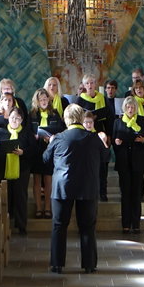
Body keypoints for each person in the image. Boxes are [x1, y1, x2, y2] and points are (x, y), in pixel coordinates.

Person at [43, 104, 104, 273]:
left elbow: (45, 159)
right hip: (88, 186)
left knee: (59, 226)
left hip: (63, 187)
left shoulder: (60, 138)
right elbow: (105, 156)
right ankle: (89, 265)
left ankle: (57, 264)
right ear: (80, 118)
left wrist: (50, 143)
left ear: (66, 119)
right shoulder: (93, 137)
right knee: (87, 227)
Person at [112, 95, 144, 234]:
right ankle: (125, 224)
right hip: (123, 161)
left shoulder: (141, 122)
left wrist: (143, 140)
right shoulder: (118, 122)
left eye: (133, 106)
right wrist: (116, 143)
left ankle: (136, 224)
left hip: (137, 161)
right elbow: (114, 141)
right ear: (124, 108)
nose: (130, 109)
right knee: (125, 193)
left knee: (136, 194)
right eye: (128, 107)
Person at [0, 107, 33, 234]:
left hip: (22, 170)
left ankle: (21, 226)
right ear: (8, 118)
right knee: (4, 198)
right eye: (12, 118)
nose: (15, 120)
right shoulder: (0, 133)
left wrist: (23, 152)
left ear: (22, 120)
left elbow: (34, 150)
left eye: (17, 118)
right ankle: (4, 225)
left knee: (20, 197)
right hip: (3, 170)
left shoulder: (26, 133)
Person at [75, 72, 111, 201]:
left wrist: (109, 135)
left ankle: (103, 192)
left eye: (92, 83)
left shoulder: (102, 98)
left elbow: (109, 118)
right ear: (84, 85)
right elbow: (77, 119)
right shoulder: (80, 99)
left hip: (100, 134)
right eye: (87, 83)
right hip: (85, 135)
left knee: (102, 165)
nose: (90, 85)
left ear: (96, 84)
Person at [27, 88, 60, 218]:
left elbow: (60, 128)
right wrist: (34, 136)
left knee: (48, 179)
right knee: (36, 179)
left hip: (49, 149)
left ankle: (47, 207)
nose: (44, 101)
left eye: (45, 99)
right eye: (41, 100)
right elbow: (28, 131)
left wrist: (51, 136)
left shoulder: (55, 113)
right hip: (36, 149)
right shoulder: (32, 114)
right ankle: (38, 208)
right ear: (37, 101)